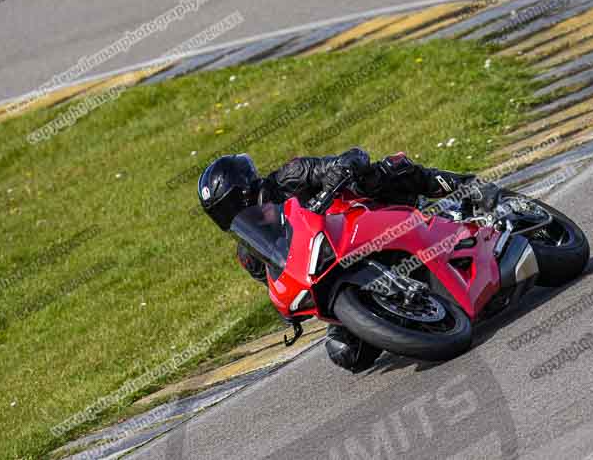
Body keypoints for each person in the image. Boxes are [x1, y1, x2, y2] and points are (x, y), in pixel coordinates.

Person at [197, 148, 500, 372]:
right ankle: (412, 314)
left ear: (248, 190)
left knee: (384, 173)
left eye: (233, 203)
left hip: (363, 222)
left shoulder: (289, 177)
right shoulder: (250, 254)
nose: (231, 213)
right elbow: (282, 279)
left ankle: (470, 187)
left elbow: (352, 158)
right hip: (335, 274)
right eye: (221, 212)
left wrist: (340, 169)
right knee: (346, 353)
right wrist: (292, 310)